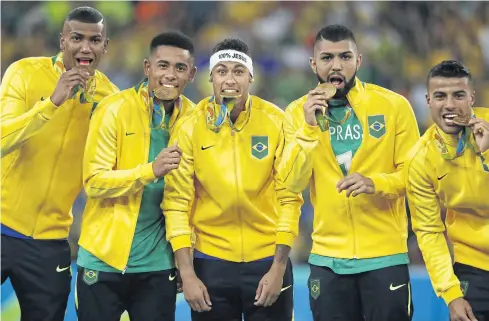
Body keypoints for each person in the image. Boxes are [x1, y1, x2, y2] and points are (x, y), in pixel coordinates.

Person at [277, 24, 420, 321]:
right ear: (313, 64)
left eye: (345, 56)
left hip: (385, 256)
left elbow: (417, 177)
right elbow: (292, 182)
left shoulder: (394, 106)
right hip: (328, 259)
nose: (337, 65)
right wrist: (308, 128)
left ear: (359, 61)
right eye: (327, 58)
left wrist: (375, 182)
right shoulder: (295, 113)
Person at [162, 38, 303, 321]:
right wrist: (187, 274)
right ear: (210, 77)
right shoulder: (190, 126)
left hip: (267, 262)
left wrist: (278, 267)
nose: (230, 79)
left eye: (238, 71)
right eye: (222, 71)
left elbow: (290, 197)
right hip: (210, 262)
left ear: (251, 77)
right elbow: (176, 203)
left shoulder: (276, 121)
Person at [0, 7, 118, 321]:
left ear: (104, 47)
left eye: (95, 40)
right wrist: (51, 103)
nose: (85, 47)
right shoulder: (24, 72)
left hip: (51, 243)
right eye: (77, 38)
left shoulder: (111, 100)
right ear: (62, 40)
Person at [75, 31, 197, 321]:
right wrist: (150, 171)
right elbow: (93, 182)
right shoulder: (113, 109)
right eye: (163, 65)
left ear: (191, 75)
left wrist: (186, 257)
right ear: (147, 68)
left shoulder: (196, 120)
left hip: (158, 265)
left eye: (180, 68)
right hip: (101, 260)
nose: (170, 75)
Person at [405, 60, 489, 321]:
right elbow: (430, 232)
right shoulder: (420, 159)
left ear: (471, 98)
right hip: (473, 265)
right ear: (428, 100)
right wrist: (451, 294)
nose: (450, 105)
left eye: (459, 95)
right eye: (440, 96)